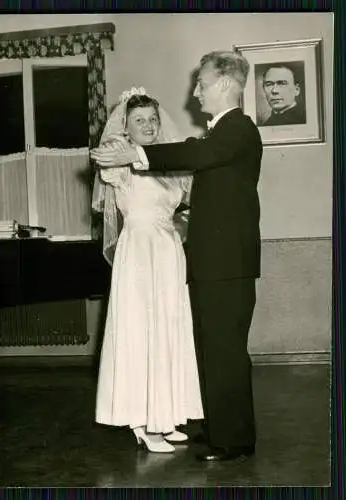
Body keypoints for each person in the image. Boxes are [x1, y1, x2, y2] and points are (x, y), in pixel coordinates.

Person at [91, 51, 263, 463]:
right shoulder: (221, 133)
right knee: (209, 346)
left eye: (201, 83)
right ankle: (217, 427)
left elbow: (195, 155)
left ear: (223, 83)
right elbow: (193, 157)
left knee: (224, 349)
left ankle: (233, 441)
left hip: (225, 265)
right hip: (208, 262)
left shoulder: (237, 129)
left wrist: (137, 155)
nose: (196, 91)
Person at [92, 87, 204, 454]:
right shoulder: (121, 165)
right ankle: (141, 423)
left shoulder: (168, 165)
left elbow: (180, 208)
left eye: (153, 119)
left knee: (168, 329)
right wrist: (114, 150)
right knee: (141, 331)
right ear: (125, 126)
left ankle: (166, 416)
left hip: (168, 251)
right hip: (139, 253)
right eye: (139, 121)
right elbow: (104, 161)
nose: (149, 126)